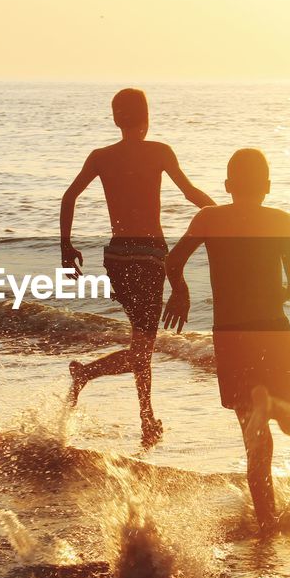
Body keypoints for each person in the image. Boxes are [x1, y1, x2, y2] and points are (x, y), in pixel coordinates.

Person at [161, 148, 290, 533]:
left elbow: (172, 261)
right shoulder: (282, 220)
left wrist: (180, 292)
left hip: (230, 336)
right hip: (273, 332)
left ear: (227, 186)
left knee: (255, 446)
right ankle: (276, 405)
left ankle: (268, 527)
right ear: (267, 185)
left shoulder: (209, 218)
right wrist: (279, 293)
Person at [61, 88, 215, 446]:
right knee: (143, 346)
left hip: (116, 257)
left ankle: (145, 416)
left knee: (141, 342)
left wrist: (66, 247)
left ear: (116, 119)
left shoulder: (101, 157)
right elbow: (191, 194)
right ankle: (93, 378)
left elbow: (69, 197)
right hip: (147, 257)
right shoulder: (160, 151)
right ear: (148, 118)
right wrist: (221, 215)